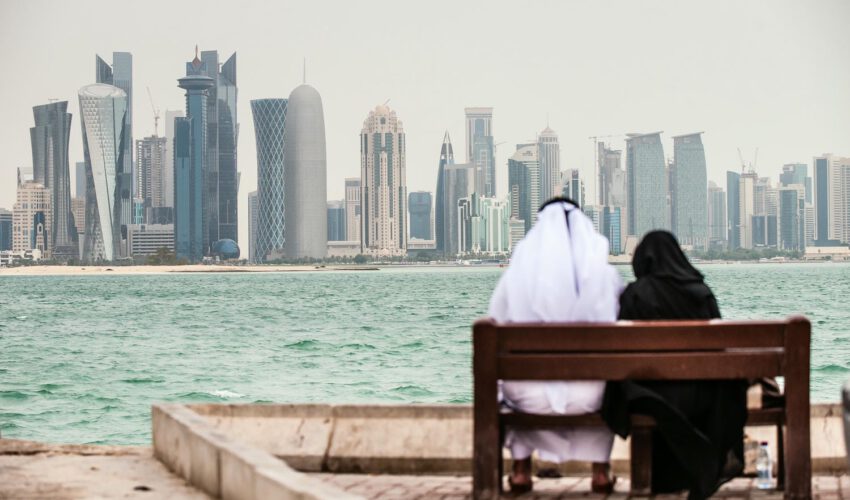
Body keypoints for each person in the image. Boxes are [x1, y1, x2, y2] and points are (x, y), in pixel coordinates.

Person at [600, 230, 748, 500]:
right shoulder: (701, 293)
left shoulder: (635, 295)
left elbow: (622, 352)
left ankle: (667, 476)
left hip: (652, 395)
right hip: (702, 396)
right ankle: (704, 467)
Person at [488, 198, 623, 493]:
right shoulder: (605, 277)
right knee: (604, 385)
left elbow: (494, 323)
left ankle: (521, 469)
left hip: (528, 395)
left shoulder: (515, 280)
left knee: (512, 386)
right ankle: (601, 471)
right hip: (589, 396)